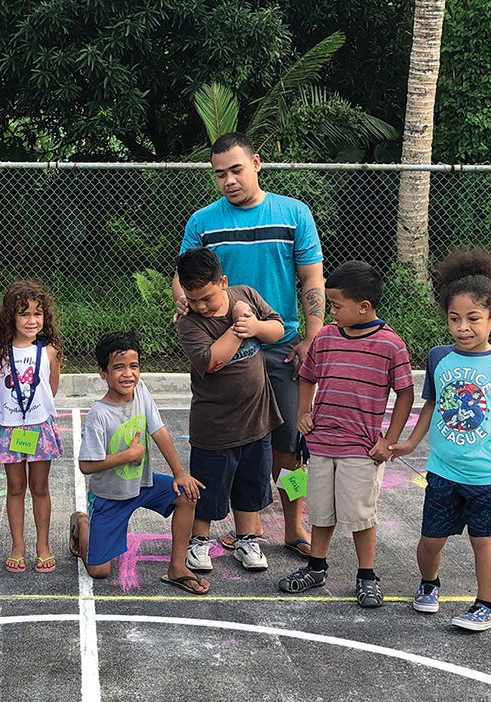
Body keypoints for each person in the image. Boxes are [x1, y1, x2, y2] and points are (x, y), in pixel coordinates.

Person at [173, 131, 325, 556]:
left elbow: (312, 278)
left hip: (281, 342)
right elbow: (183, 275)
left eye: (236, 170)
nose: (229, 180)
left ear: (257, 163)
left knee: (290, 444)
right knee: (230, 441)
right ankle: (242, 527)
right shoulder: (203, 221)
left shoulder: (294, 213)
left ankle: (293, 526)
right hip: (225, 348)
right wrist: (185, 304)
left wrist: (312, 338)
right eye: (220, 174)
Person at [390, 251, 491, 632]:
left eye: (473, 319)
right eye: (455, 319)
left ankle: (487, 604)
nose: (463, 327)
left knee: (483, 540)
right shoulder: (439, 357)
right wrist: (410, 442)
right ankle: (429, 584)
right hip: (442, 470)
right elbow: (432, 404)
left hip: (488, 474)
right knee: (430, 539)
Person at [280, 261, 415, 607]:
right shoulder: (325, 337)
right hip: (322, 442)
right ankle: (317, 567)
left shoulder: (390, 345)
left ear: (364, 307)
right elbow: (308, 375)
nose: (332, 312)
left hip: (362, 449)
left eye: (337, 306)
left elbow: (405, 393)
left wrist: (389, 441)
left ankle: (367, 575)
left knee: (359, 515)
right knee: (321, 511)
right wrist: (303, 414)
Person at [69, 331, 208, 594]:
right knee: (99, 571)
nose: (128, 374)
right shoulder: (99, 414)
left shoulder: (140, 390)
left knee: (187, 494)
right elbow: (86, 465)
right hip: (111, 496)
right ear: (102, 373)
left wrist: (180, 472)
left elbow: (159, 430)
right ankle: (82, 523)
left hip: (143, 484)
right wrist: (127, 456)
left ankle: (177, 567)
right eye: (118, 367)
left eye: (134, 366)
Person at [174, 247, 284, 573]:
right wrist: (239, 324)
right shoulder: (190, 323)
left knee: (251, 485)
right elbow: (212, 361)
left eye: (206, 298)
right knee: (208, 488)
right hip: (215, 426)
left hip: (257, 418)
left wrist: (255, 326)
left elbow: (277, 329)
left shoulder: (246, 294)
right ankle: (199, 542)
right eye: (193, 300)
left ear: (223, 282)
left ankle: (247, 539)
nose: (200, 306)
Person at [0, 280, 63, 574]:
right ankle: (17, 545)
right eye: (24, 314)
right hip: (11, 428)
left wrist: (31, 410)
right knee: (16, 487)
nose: (32, 320)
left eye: (37, 313)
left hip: (39, 426)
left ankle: (42, 545)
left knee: (40, 487)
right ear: (11, 316)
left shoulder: (50, 351)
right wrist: (7, 418)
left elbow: (52, 388)